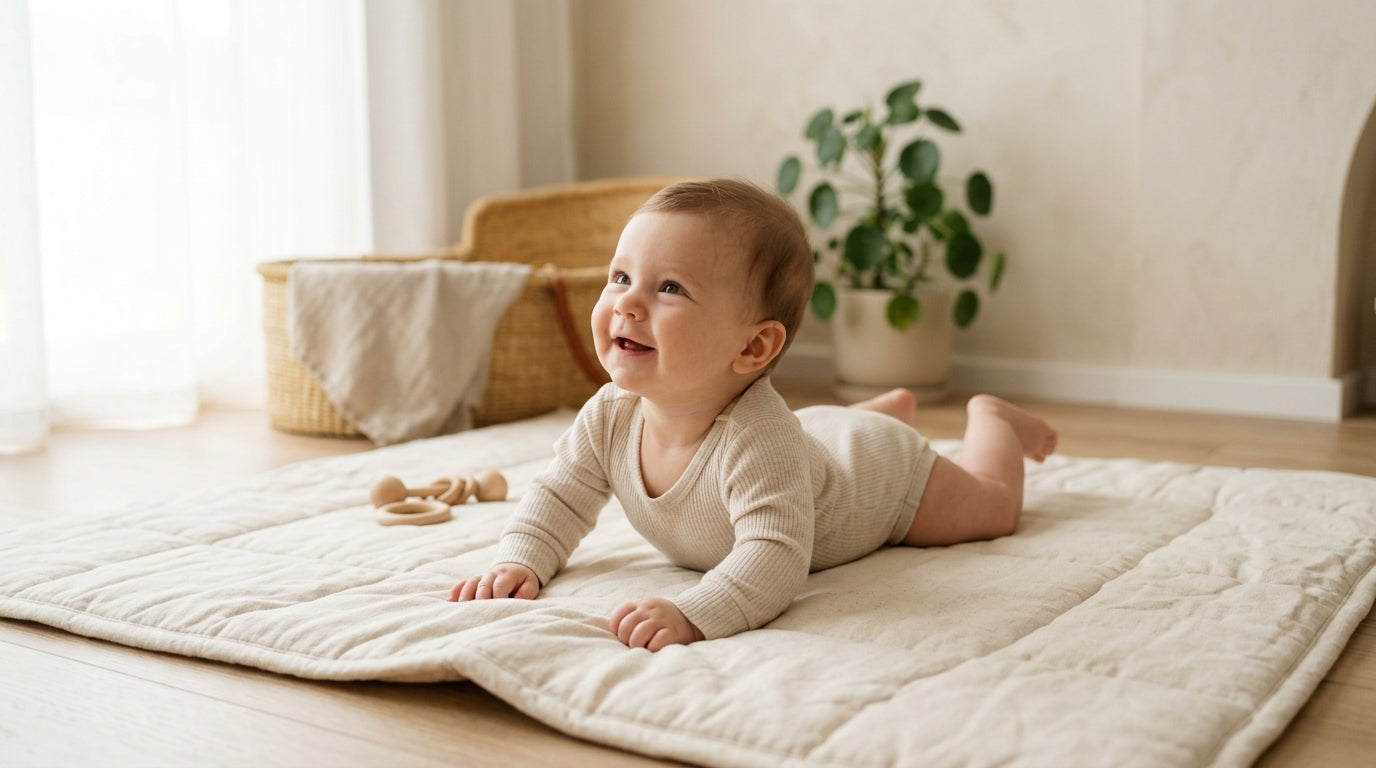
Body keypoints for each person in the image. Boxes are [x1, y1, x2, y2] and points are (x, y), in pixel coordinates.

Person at [449, 178, 1057, 651]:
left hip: (882, 479)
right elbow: (560, 494)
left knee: (992, 508)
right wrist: (521, 557)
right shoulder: (609, 414)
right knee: (814, 436)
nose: (627, 303)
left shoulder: (758, 439)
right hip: (817, 438)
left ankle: (992, 421)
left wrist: (695, 611)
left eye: (669, 288)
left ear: (754, 347)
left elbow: (776, 554)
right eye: (621, 276)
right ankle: (882, 411)